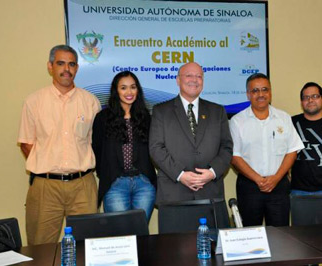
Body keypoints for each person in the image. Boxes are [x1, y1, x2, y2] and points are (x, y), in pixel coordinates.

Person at [17, 45, 101, 245]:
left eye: (71, 64)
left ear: (77, 68)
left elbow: (95, 142)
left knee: (87, 245)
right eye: (60, 63)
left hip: (83, 185)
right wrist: (49, 165)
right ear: (50, 66)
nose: (67, 69)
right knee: (41, 246)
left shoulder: (90, 102)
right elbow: (26, 143)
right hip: (46, 186)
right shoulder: (34, 101)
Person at [149, 62, 233, 204]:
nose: (194, 80)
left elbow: (226, 147)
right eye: (189, 75)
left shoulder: (217, 111)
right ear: (178, 80)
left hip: (210, 192)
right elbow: (156, 148)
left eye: (199, 76)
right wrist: (180, 175)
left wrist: (212, 173)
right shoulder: (161, 111)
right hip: (174, 192)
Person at [229, 73, 304, 226]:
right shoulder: (237, 121)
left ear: (270, 92)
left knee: (280, 235)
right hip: (249, 187)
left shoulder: (284, 118)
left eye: (265, 89)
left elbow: (292, 150)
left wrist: (276, 178)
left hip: (279, 185)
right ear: (248, 94)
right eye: (255, 91)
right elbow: (234, 156)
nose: (261, 94)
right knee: (250, 234)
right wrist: (258, 179)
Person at [92, 71, 156, 221]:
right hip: (115, 184)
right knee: (120, 236)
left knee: (140, 234)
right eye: (123, 88)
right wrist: (108, 175)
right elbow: (97, 150)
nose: (129, 92)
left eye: (133, 87)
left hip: (144, 184)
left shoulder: (146, 117)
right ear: (116, 91)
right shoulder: (103, 118)